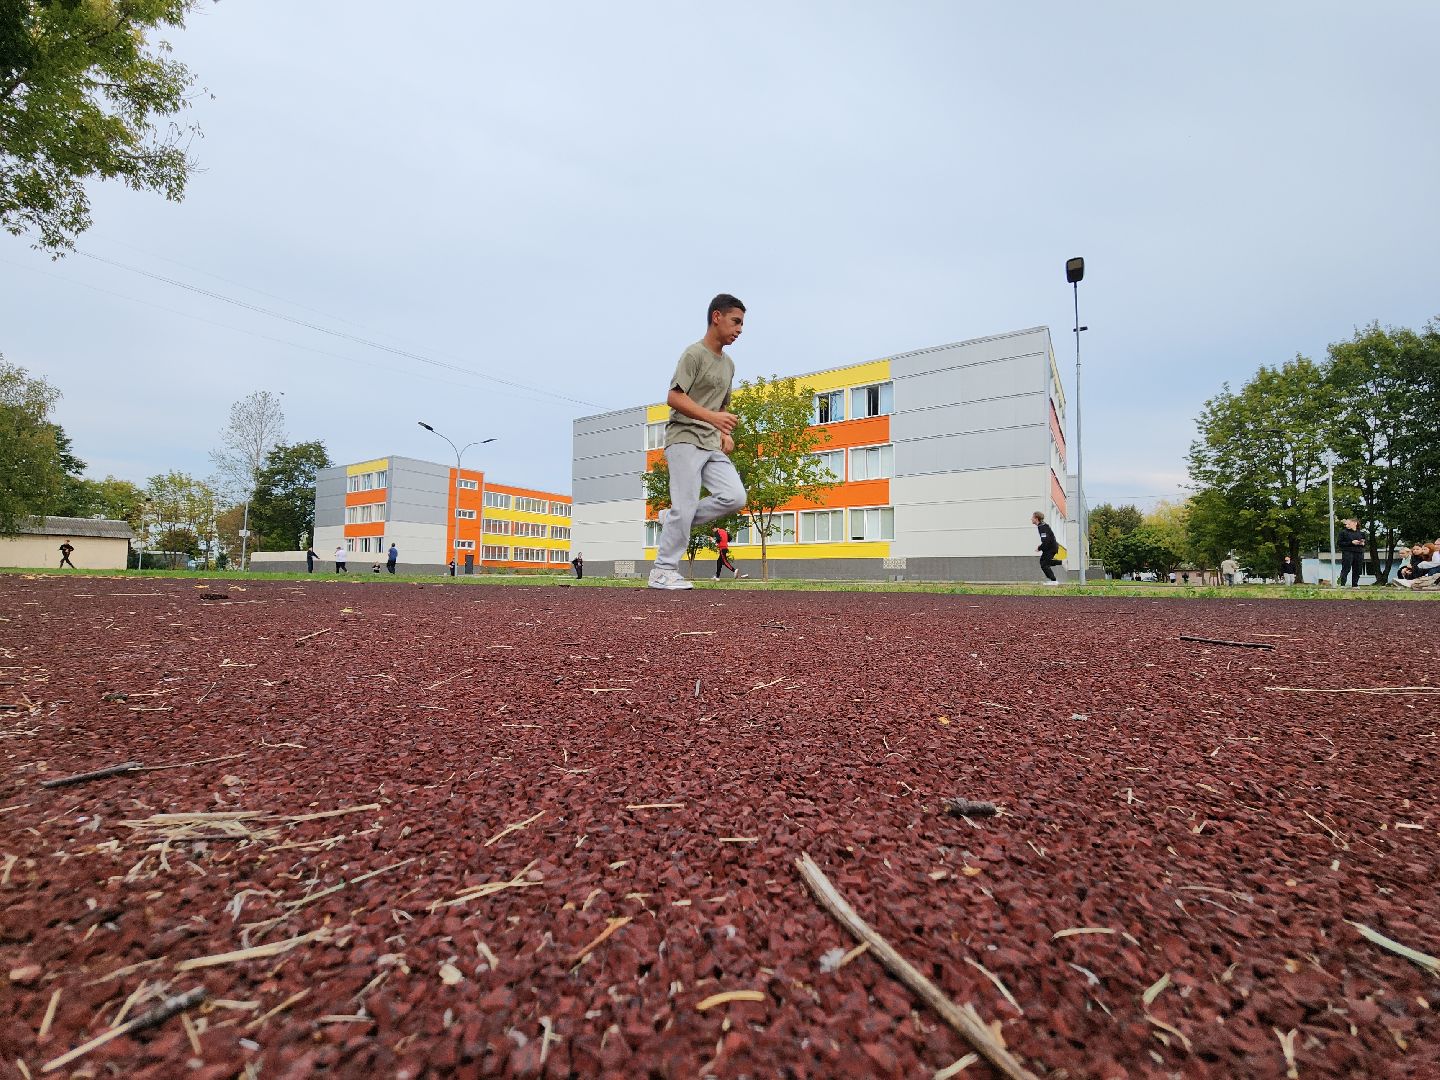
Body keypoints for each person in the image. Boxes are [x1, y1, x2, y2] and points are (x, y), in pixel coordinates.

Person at [649, 294, 748, 591]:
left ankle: (674, 517)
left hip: (709, 442)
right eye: (736, 321)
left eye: (742, 324)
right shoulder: (694, 354)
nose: (740, 329)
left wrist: (724, 432)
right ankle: (663, 571)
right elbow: (674, 397)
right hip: (684, 439)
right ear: (716, 317)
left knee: (735, 497)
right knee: (686, 504)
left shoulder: (728, 365)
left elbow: (720, 408)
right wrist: (713, 420)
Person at [1031, 511, 1061, 585]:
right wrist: (1041, 546)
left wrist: (1040, 548)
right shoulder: (1042, 526)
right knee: (1044, 563)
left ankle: (1053, 581)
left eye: (1032, 517)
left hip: (1051, 548)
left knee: (1044, 564)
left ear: (1036, 518)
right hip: (1050, 547)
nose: (1031, 519)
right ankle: (1061, 564)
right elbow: (1047, 539)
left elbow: (1046, 540)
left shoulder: (1042, 527)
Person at [1338, 517, 1367, 587]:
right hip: (1348, 552)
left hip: (1359, 552)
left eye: (1348, 524)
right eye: (1346, 524)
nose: (1346, 525)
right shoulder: (1343, 532)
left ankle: (1355, 585)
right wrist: (1351, 542)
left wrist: (1362, 543)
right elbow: (1339, 543)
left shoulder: (1361, 533)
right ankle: (1342, 584)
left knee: (1357, 569)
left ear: (1355, 523)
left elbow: (1365, 542)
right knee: (1346, 568)